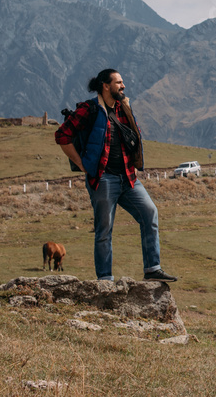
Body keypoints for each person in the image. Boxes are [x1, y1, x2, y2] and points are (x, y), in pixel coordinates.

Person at [55, 68, 177, 283]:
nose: (123, 86)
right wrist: (81, 164)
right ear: (105, 85)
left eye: (122, 82)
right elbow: (62, 135)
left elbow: (133, 136)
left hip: (129, 178)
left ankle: (152, 268)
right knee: (104, 230)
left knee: (150, 213)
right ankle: (105, 279)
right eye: (119, 82)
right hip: (103, 179)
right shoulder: (89, 109)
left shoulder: (123, 108)